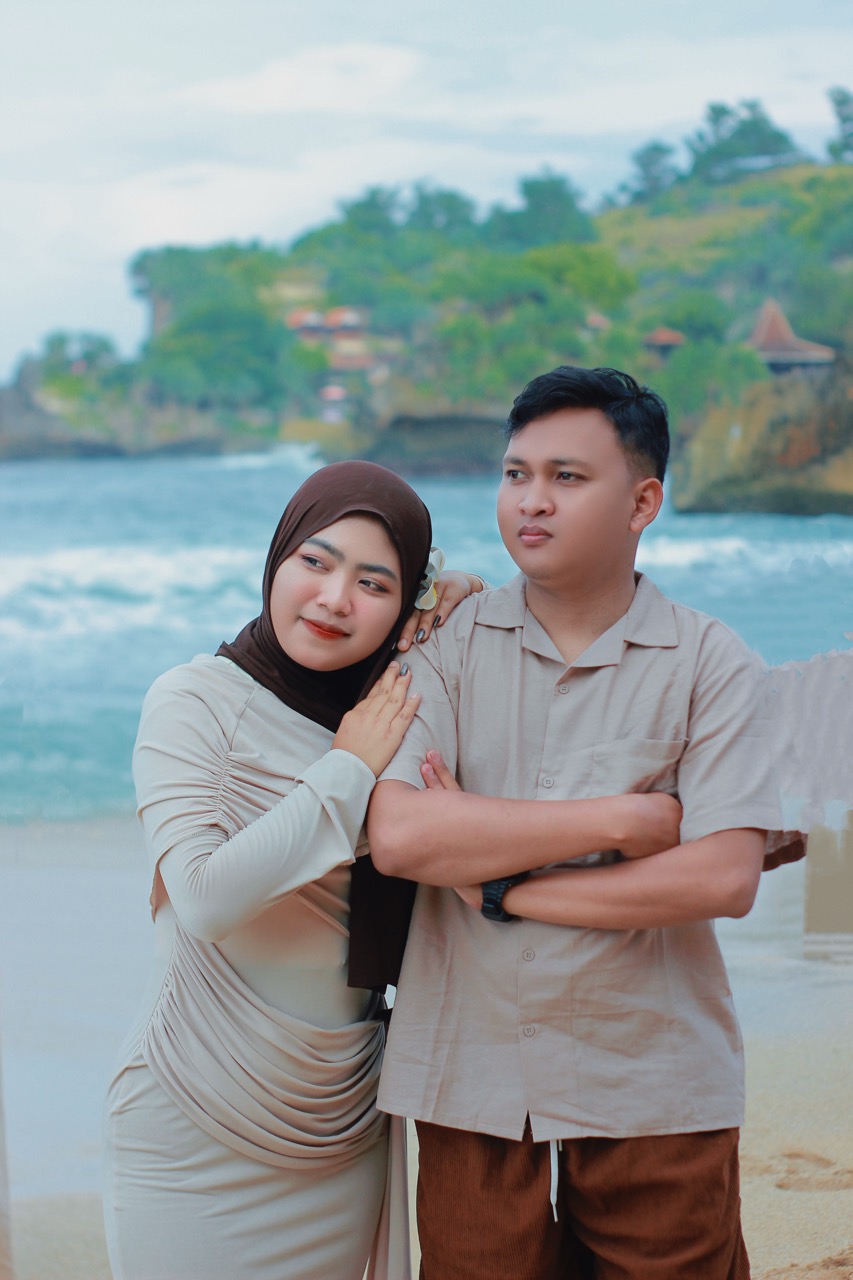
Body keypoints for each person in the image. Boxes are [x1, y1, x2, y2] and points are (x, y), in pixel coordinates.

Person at [367, 366, 782, 1280]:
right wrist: (624, 821)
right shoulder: (442, 645)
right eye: (516, 474)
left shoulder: (711, 662)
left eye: (567, 476)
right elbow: (402, 838)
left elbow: (720, 879)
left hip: (653, 1078)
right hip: (470, 1072)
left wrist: (502, 887)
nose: (531, 501)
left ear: (642, 502)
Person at [102, 460, 485, 1280]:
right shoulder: (194, 699)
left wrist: (461, 591)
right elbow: (204, 897)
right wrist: (346, 769)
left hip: (338, 1118)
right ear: (278, 557)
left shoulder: (398, 703)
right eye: (315, 561)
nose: (334, 599)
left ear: (405, 604)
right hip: (192, 1108)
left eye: (373, 583)